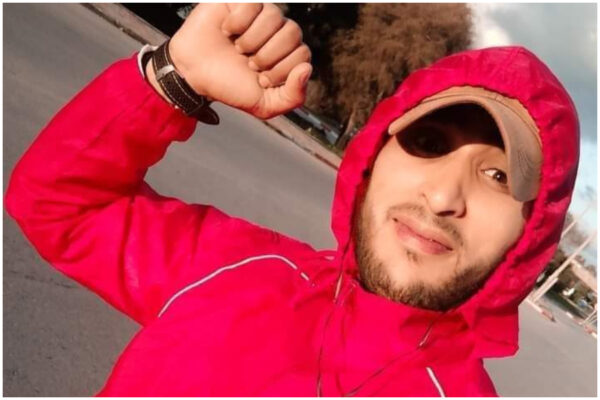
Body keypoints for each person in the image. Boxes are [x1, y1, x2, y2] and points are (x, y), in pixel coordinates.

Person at [5, 3, 579, 397]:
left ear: (531, 233)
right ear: (373, 160)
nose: (444, 195)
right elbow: (60, 203)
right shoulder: (239, 269)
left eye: (498, 176)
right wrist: (177, 76)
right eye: (427, 143)